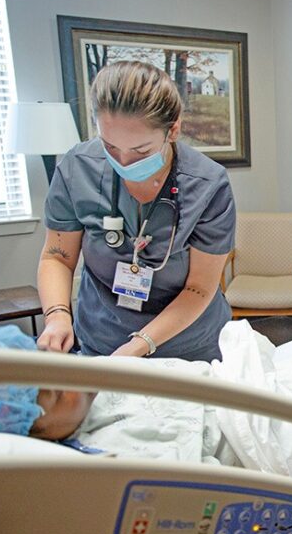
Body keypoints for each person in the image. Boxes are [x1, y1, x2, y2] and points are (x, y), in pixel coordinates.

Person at [0, 326, 292, 487]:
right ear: (36, 433)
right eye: (51, 393)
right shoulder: (114, 464)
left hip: (273, 375)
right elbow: (262, 507)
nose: (66, 372)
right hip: (281, 427)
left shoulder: (98, 386)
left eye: (43, 359)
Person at [37, 61, 235, 361]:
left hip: (189, 347)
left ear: (174, 130)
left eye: (141, 151)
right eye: (110, 146)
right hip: (102, 339)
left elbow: (199, 288)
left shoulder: (208, 184)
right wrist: (57, 315)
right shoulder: (77, 168)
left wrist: (139, 344)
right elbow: (57, 257)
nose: (125, 162)